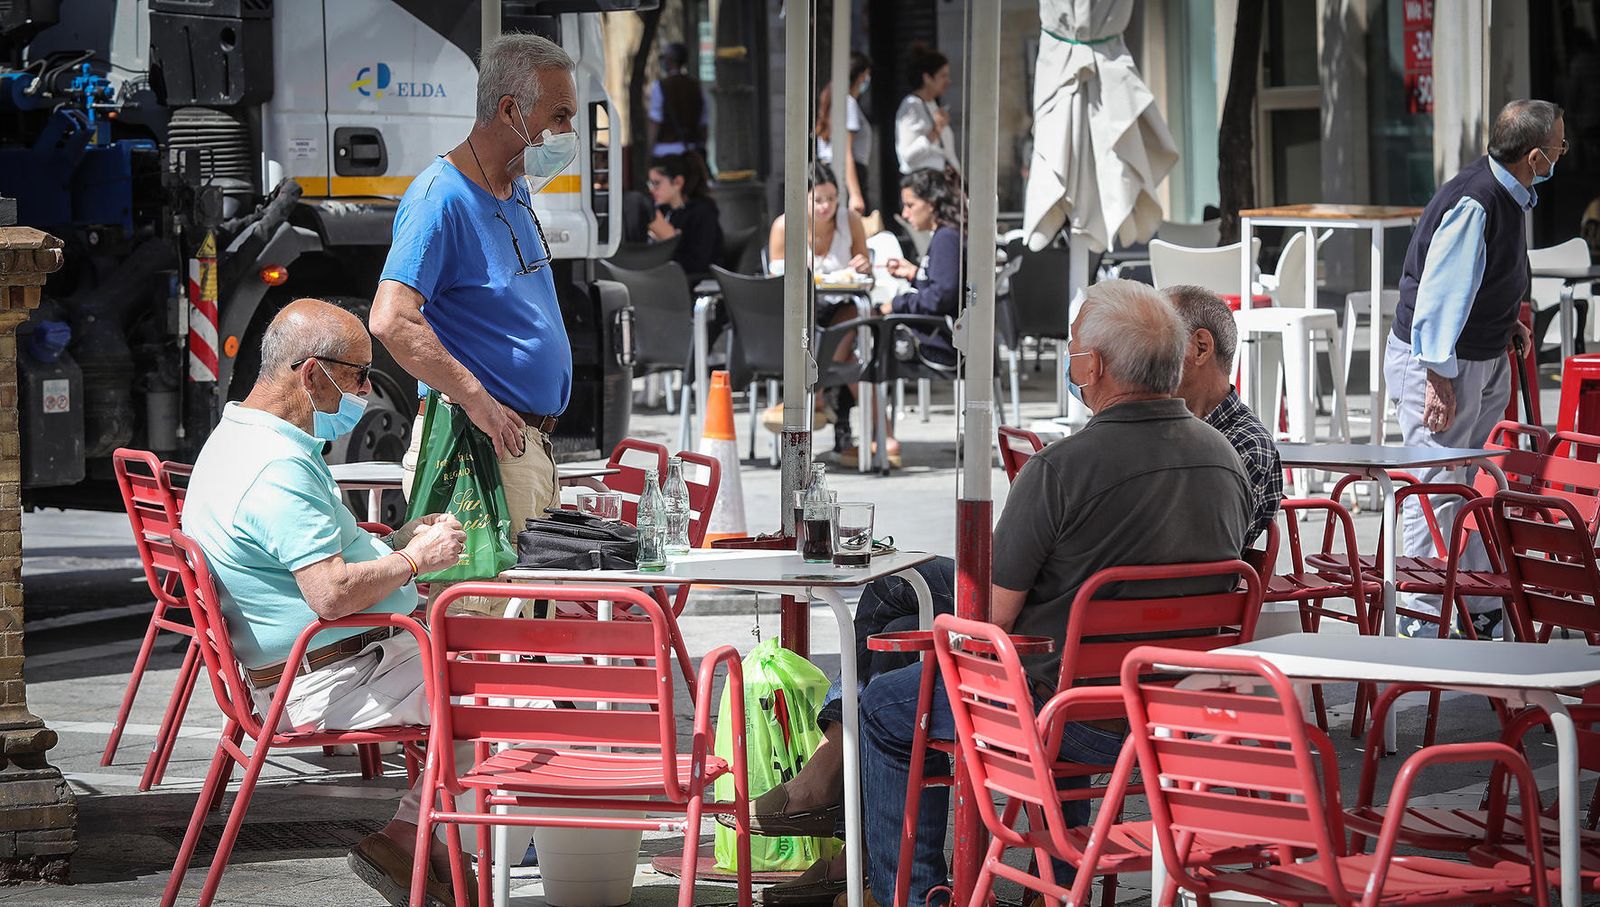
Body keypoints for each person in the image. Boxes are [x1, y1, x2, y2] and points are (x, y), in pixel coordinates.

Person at [744, 281, 1254, 907]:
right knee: (923, 638)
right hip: (1171, 707)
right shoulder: (1227, 461)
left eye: (1072, 351)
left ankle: (908, 889)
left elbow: (984, 621)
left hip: (1059, 713)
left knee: (884, 705)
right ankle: (1038, 886)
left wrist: (925, 645)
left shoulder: (1062, 468)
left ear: (1092, 365)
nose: (1071, 363)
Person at [181, 299, 470, 906]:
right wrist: (419, 560)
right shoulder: (277, 468)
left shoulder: (235, 437)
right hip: (320, 679)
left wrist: (393, 540)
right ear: (312, 374)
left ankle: (419, 840)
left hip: (314, 666)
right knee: (510, 693)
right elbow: (330, 594)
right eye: (359, 374)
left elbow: (306, 558)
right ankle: (421, 841)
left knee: (489, 664)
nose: (368, 389)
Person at [372, 34, 580, 571]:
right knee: (485, 630)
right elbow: (391, 318)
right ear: (510, 110)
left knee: (527, 630)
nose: (567, 133)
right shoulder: (439, 198)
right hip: (481, 450)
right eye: (558, 116)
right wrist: (476, 398)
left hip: (524, 446)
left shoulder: (515, 188)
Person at [1386, 99, 1564, 639]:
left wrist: (1506, 319)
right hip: (1444, 362)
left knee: (1469, 479)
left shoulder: (1507, 195)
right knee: (1437, 482)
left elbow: (1481, 277)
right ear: (1535, 155)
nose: (1562, 152)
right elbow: (1441, 295)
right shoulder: (1477, 201)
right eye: (1559, 144)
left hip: (1478, 356)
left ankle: (1476, 598)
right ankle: (1421, 609)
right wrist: (1437, 375)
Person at [764, 161, 873, 450]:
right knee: (849, 356)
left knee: (850, 322)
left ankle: (817, 390)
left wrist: (863, 263)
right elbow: (775, 276)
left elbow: (864, 271)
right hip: (800, 313)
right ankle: (854, 428)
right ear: (805, 197)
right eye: (819, 200)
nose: (827, 207)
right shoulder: (786, 225)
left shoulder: (849, 221)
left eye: (832, 199)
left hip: (840, 305)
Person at [1165, 285, 1283, 548]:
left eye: (1158, 343)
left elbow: (1196, 547)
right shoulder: (1158, 425)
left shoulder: (1245, 444)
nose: (1143, 357)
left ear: (1200, 348)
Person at [646, 152, 725, 281]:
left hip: (696, 281)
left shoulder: (703, 212)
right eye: (650, 184)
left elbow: (699, 262)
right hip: (669, 278)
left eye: (656, 183)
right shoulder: (666, 211)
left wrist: (668, 239)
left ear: (678, 182)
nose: (652, 190)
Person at [816, 52, 874, 215]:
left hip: (831, 172)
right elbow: (846, 151)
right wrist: (855, 194)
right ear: (861, 76)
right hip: (848, 174)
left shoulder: (836, 100)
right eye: (867, 75)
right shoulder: (848, 103)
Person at [894, 42, 958, 177]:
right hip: (924, 185)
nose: (948, 81)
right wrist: (936, 131)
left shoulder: (932, 105)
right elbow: (907, 156)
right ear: (927, 78)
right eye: (943, 76)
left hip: (942, 183)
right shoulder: (911, 106)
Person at [646, 41, 708, 162]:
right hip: (692, 151)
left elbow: (655, 122)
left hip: (665, 151)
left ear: (670, 60)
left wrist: (649, 152)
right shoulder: (696, 86)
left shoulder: (660, 86)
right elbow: (704, 123)